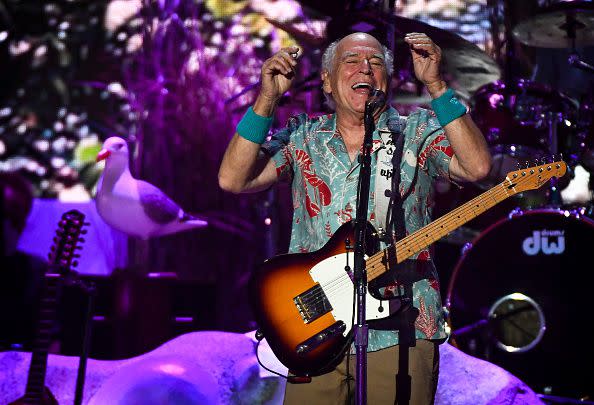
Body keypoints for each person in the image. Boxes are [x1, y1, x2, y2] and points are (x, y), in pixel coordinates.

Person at [219, 31, 491, 404]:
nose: (365, 68)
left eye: (376, 62)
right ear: (327, 80)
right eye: (351, 61)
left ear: (389, 79)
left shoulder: (417, 131)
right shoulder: (302, 136)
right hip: (312, 330)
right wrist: (267, 100)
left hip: (403, 330)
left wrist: (436, 84)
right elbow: (233, 179)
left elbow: (477, 167)